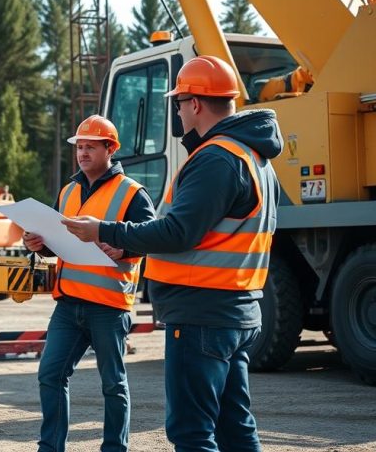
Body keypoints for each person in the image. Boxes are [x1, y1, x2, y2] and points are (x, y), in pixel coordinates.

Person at [62, 56, 282, 452]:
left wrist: (104, 230)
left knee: (191, 433)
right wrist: (128, 243)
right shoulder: (255, 159)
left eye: (178, 102)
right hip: (235, 310)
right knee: (235, 428)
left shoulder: (216, 158)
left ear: (195, 104)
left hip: (203, 316)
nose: (177, 110)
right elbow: (211, 233)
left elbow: (179, 231)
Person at [24, 115, 156, 452]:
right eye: (79, 146)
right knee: (49, 375)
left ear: (109, 149)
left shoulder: (132, 193)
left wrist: (124, 246)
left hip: (109, 306)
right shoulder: (68, 190)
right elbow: (57, 241)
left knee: (113, 384)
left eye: (90, 147)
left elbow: (152, 238)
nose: (82, 152)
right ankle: (50, 447)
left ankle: (114, 448)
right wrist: (39, 244)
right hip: (68, 303)